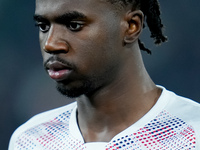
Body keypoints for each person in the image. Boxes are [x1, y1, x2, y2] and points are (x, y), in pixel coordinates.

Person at [9, 0, 200, 149]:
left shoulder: (193, 134)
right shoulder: (31, 139)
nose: (50, 44)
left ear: (132, 26)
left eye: (74, 25)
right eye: (43, 26)